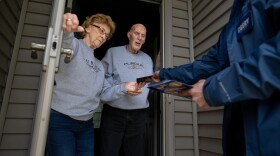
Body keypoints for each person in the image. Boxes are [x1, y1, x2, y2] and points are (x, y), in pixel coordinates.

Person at [152, 0, 280, 155]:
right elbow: (207, 64)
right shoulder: (234, 22)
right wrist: (163, 74)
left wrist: (213, 90)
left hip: (270, 136)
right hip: (239, 136)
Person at [46, 13, 117, 156]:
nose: (103, 36)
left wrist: (126, 88)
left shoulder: (99, 65)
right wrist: (66, 31)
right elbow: (66, 42)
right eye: (101, 30)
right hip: (61, 120)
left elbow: (104, 93)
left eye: (107, 35)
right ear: (88, 28)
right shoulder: (75, 46)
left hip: (86, 125)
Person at [100, 23, 153, 156]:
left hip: (139, 115)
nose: (140, 38)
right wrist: (122, 86)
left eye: (143, 35)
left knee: (135, 152)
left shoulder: (148, 59)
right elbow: (101, 79)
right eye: (136, 33)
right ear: (129, 35)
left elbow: (148, 81)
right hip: (114, 114)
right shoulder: (113, 52)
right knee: (108, 151)